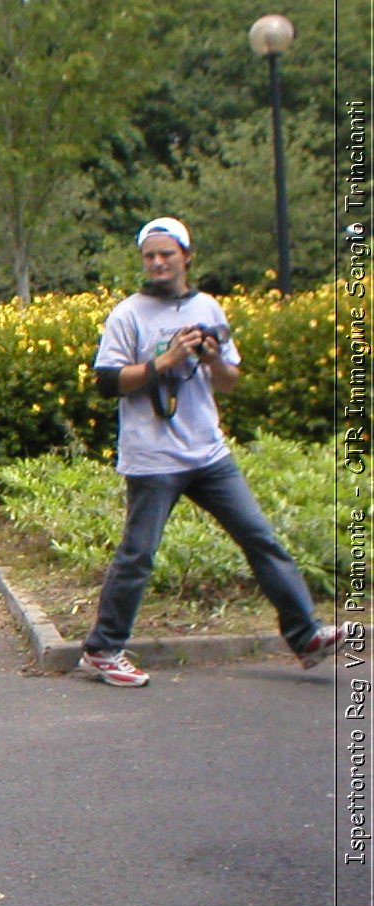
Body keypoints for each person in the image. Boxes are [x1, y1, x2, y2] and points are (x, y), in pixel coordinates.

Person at [78, 217, 343, 687]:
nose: (158, 263)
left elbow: (230, 380)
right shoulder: (128, 314)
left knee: (261, 539)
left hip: (208, 453)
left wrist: (213, 356)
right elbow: (105, 383)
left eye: (166, 254)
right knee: (138, 554)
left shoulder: (208, 307)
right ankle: (101, 649)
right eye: (149, 256)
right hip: (153, 458)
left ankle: (305, 637)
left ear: (186, 256)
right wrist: (165, 361)